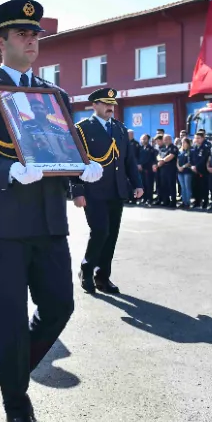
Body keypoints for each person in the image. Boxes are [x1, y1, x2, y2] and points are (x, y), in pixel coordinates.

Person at [0, 0, 102, 422]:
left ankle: (12, 370)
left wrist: (83, 170)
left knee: (60, 306)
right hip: (1, 221)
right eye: (21, 33)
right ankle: (17, 406)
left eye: (35, 33)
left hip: (46, 220)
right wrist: (8, 171)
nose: (31, 40)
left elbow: (61, 149)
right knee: (8, 315)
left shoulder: (54, 96)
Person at [72, 87, 142, 294]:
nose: (110, 107)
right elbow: (75, 161)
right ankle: (87, 269)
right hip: (94, 190)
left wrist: (137, 184)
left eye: (112, 104)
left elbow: (129, 159)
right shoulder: (82, 129)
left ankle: (103, 277)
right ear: (94, 105)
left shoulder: (120, 129)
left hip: (116, 190)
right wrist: (77, 191)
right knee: (100, 231)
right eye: (105, 103)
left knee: (111, 235)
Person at [187, 131, 210, 208]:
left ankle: (205, 202)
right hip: (194, 170)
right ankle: (197, 201)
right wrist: (192, 166)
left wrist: (196, 166)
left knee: (203, 187)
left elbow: (204, 159)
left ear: (203, 138)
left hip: (202, 170)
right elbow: (189, 157)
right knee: (195, 186)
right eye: (195, 138)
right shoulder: (193, 147)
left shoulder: (205, 147)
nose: (197, 139)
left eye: (198, 138)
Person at [154, 134, 178, 207]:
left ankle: (173, 201)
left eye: (168, 139)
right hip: (163, 170)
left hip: (171, 170)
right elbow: (158, 155)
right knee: (164, 186)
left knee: (171, 186)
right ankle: (165, 201)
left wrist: (162, 161)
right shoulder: (163, 148)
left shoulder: (173, 148)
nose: (166, 141)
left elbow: (171, 156)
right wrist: (160, 160)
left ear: (171, 139)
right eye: (165, 139)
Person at [138, 133, 156, 205]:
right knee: (143, 185)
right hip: (140, 169)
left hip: (148, 170)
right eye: (142, 139)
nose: (143, 140)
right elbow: (137, 157)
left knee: (149, 185)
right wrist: (138, 164)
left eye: (145, 138)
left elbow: (149, 159)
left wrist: (142, 164)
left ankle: (149, 199)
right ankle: (144, 198)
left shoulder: (151, 149)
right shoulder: (140, 148)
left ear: (148, 140)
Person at [176, 137, 192, 208]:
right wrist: (178, 167)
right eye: (182, 142)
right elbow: (177, 160)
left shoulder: (190, 151)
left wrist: (183, 167)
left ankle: (187, 202)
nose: (183, 144)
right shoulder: (180, 151)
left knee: (187, 186)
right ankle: (183, 201)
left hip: (187, 171)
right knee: (182, 187)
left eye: (184, 142)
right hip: (180, 171)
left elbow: (189, 162)